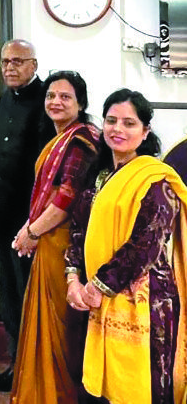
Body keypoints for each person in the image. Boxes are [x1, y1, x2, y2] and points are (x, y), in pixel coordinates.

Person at [66, 89, 187, 404]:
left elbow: (145, 246)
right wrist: (73, 279)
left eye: (129, 123)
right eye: (111, 120)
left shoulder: (156, 181)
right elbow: (78, 229)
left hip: (145, 301)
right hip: (90, 296)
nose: (117, 129)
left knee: (142, 387)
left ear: (145, 131)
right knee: (93, 385)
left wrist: (97, 287)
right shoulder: (97, 175)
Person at [10, 71, 100, 403]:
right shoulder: (61, 138)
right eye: (50, 96)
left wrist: (32, 231)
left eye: (65, 97)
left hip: (63, 244)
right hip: (50, 239)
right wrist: (30, 228)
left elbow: (66, 197)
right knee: (47, 324)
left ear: (81, 103)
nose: (56, 102)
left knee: (60, 328)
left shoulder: (80, 142)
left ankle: (57, 395)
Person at [0, 39, 56, 391]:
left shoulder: (47, 101)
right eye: (5, 62)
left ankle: (37, 370)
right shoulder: (4, 99)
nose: (10, 67)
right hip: (3, 220)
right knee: (11, 299)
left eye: (17, 61)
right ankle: (17, 365)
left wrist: (34, 225)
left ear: (34, 64)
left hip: (32, 224)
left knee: (32, 299)